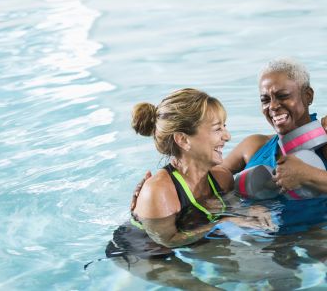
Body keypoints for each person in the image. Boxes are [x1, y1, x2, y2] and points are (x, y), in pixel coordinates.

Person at [114, 88, 274, 252]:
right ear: (183, 140)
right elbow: (168, 241)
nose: (227, 136)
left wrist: (250, 211)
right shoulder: (159, 191)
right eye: (217, 129)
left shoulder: (221, 178)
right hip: (137, 250)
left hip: (186, 247)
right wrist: (223, 222)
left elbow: (231, 212)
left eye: (224, 127)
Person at [222, 58, 327, 199]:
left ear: (308, 96)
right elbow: (212, 176)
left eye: (283, 96)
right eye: (265, 100)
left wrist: (308, 176)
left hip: (319, 231)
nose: (272, 106)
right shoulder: (253, 146)